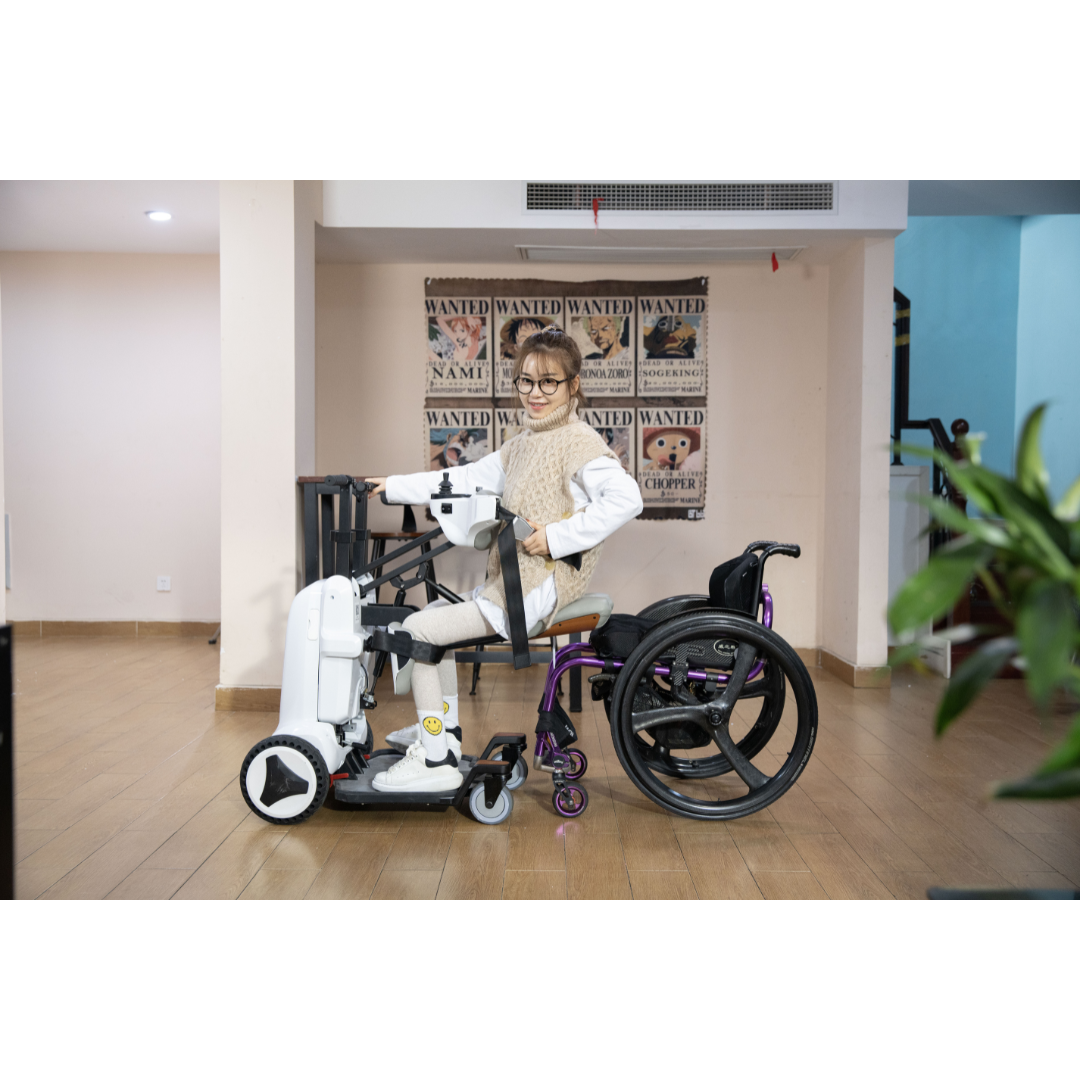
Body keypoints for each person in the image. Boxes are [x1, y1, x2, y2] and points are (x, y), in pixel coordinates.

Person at [367, 326, 643, 792]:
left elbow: (627, 499)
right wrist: (391, 486)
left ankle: (434, 761)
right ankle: (442, 734)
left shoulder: (579, 442)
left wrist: (556, 537)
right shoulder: (521, 445)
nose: (535, 393)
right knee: (432, 616)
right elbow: (462, 479)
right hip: (513, 583)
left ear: (573, 385)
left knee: (417, 631)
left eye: (549, 382)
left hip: (538, 587)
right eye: (526, 381)